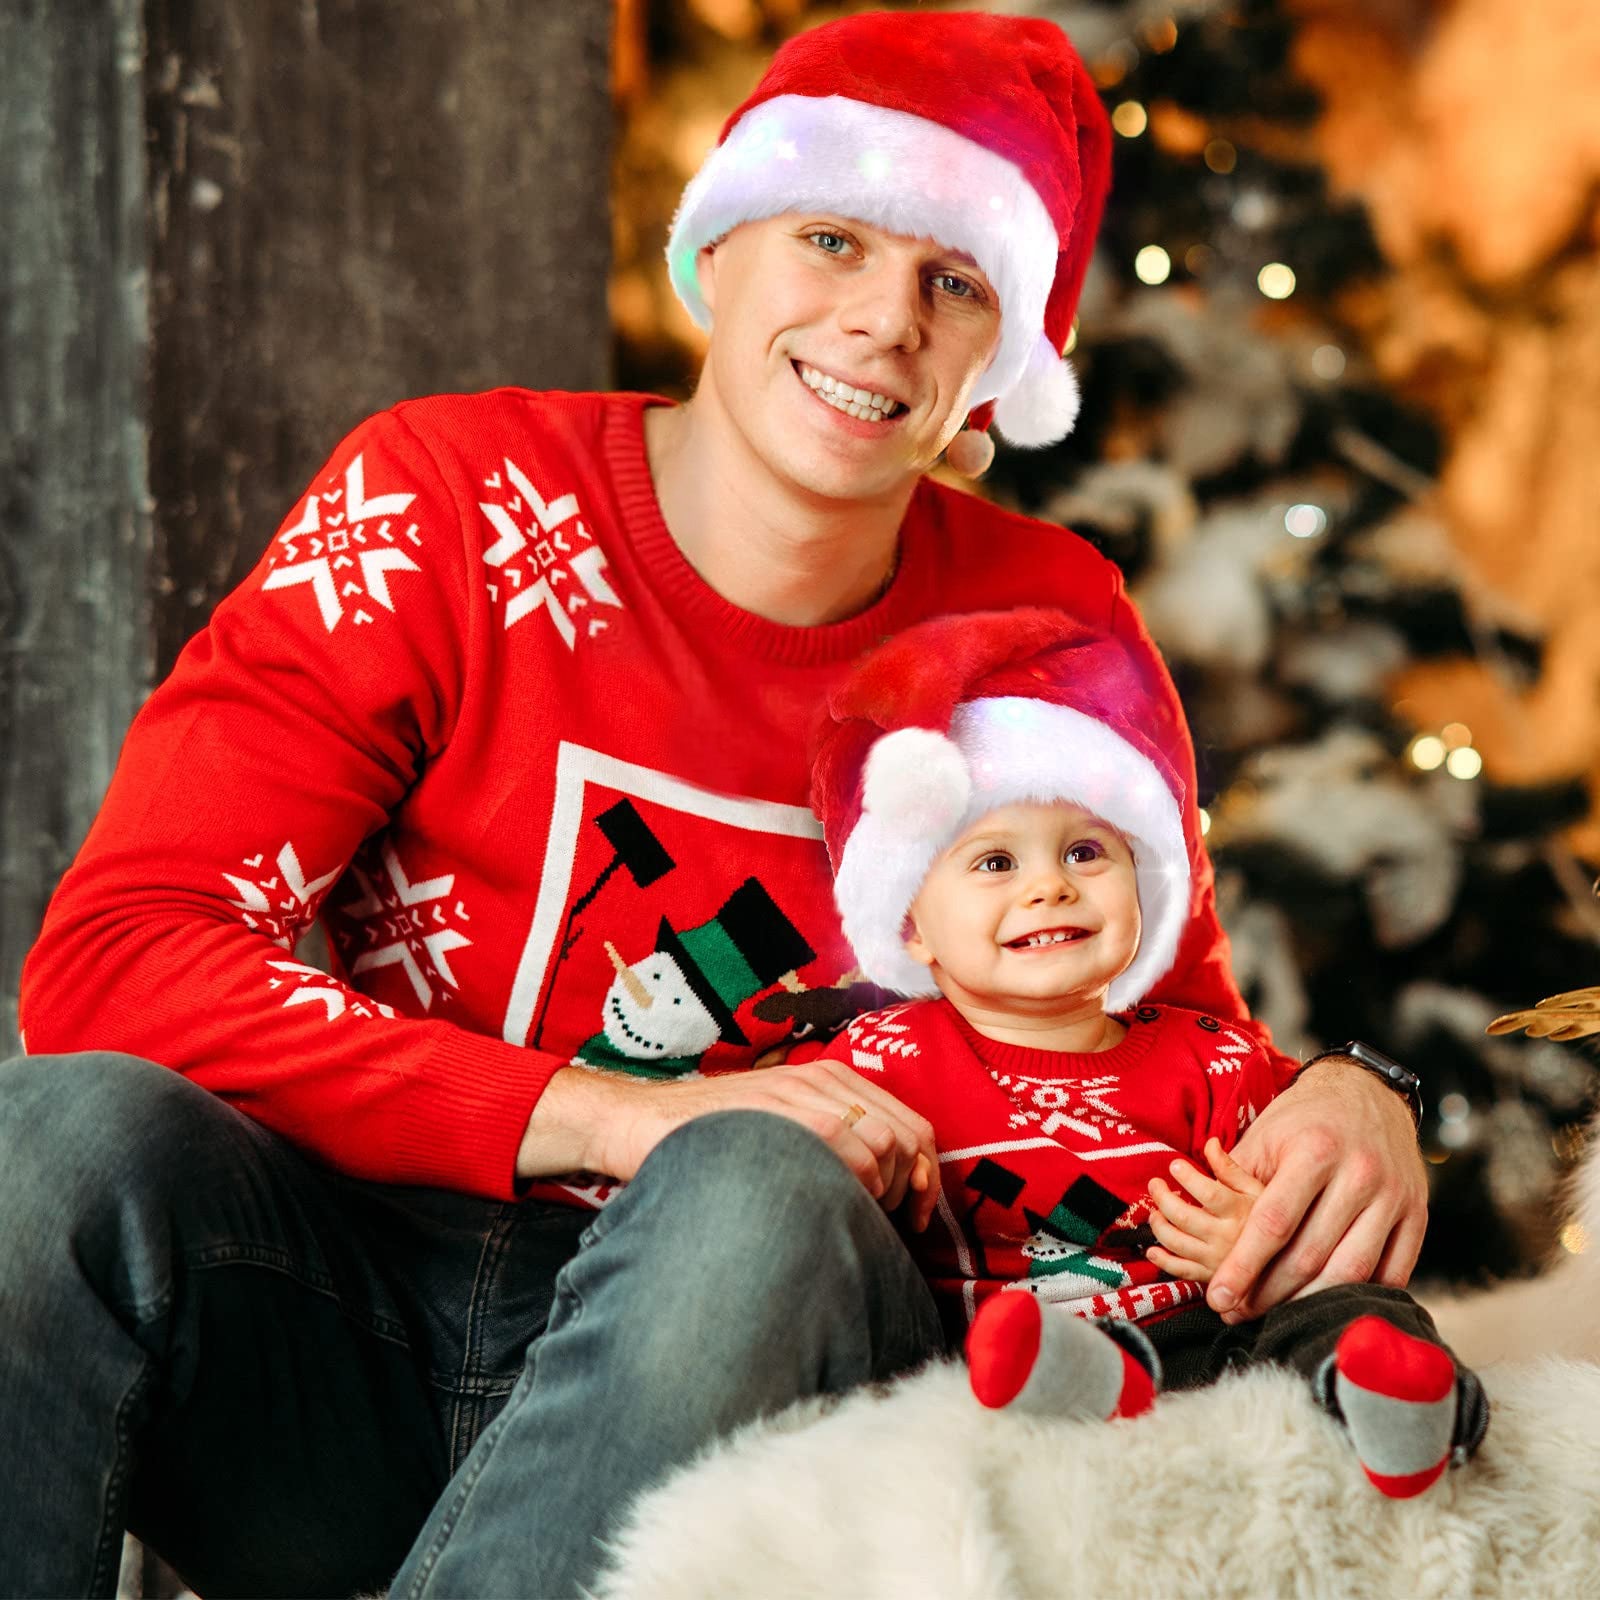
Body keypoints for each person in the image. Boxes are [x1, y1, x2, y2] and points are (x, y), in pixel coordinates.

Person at [2, 11, 1426, 1598]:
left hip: (750, 1383)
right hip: (336, 1326)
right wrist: (618, 1115)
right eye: (834, 238)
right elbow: (118, 957)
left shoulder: (1049, 615)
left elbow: (1148, 1043)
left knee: (753, 1186)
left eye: (955, 283)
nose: (885, 320)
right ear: (722, 243)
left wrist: (1346, 1090)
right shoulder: (453, 502)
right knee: (52, 1138)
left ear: (996, 365)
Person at [804, 607, 1487, 1496]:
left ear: (1140, 881)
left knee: (1346, 1302)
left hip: (1211, 1336)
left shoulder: (1215, 1055)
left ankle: (1396, 1405)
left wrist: (1252, 1238)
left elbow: (1304, 1195)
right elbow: (795, 1161)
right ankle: (1083, 1388)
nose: (1050, 884)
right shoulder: (881, 1055)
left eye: (1086, 851)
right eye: (995, 864)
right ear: (911, 926)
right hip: (997, 1351)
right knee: (999, 1360)